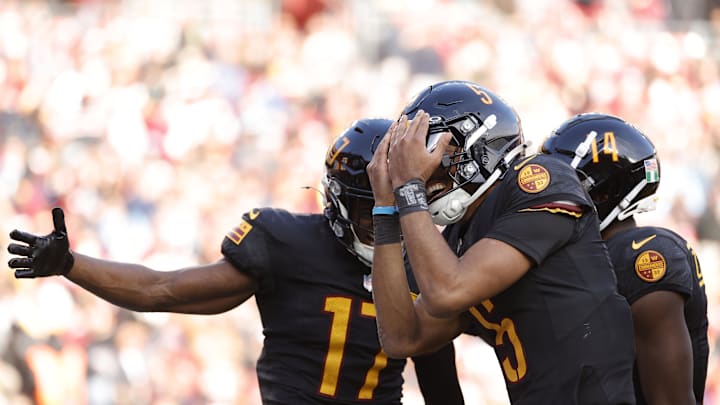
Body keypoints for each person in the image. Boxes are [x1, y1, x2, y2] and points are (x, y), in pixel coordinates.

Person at [6, 118, 465, 405]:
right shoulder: (288, 244)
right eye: (373, 209)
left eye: (400, 206)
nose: (389, 219)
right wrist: (72, 264)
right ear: (342, 203)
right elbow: (161, 289)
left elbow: (441, 387)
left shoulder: (422, 262)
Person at [367, 80, 636, 404]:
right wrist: (385, 210)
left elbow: (447, 292)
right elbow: (401, 337)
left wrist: (409, 186)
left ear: (478, 144)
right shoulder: (460, 237)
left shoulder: (539, 177)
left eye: (433, 149)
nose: (423, 167)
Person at [540, 112, 709, 405]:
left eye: (560, 181)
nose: (543, 192)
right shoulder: (578, 255)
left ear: (604, 192)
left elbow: (671, 400)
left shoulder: (642, 254)